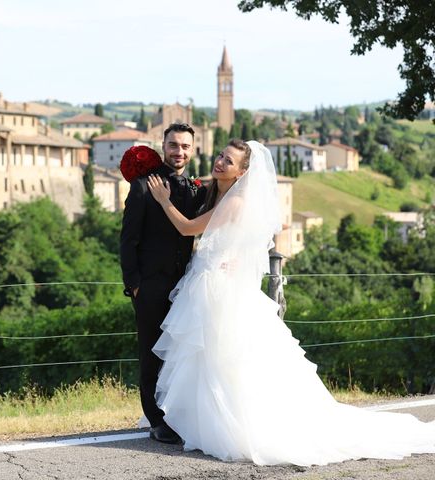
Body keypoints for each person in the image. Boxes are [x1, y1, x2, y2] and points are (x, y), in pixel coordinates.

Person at [146, 139, 435, 466]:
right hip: (213, 279)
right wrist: (236, 256)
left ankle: (228, 425)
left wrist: (163, 200)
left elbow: (188, 229)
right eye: (221, 156)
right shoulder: (225, 194)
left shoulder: (237, 202)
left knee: (223, 358)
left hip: (218, 287)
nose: (220, 162)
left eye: (229, 161)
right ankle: (199, 421)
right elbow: (246, 237)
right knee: (209, 357)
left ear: (243, 172)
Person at [120, 123, 207, 444]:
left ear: (192, 149)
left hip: (186, 285)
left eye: (185, 146)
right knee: (151, 352)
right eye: (173, 145)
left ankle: (177, 413)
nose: (179, 152)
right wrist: (135, 285)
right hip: (150, 286)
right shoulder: (143, 187)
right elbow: (128, 240)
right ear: (163, 145)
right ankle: (156, 420)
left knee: (180, 352)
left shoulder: (195, 187)